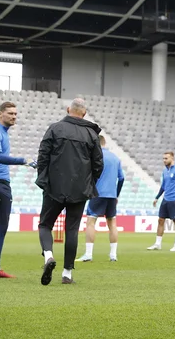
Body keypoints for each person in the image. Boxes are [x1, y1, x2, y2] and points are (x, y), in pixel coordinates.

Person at [36, 98, 104, 285]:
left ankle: (48, 256)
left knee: (45, 225)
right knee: (72, 229)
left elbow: (43, 155)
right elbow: (98, 164)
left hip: (54, 187)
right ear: (84, 113)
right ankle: (67, 273)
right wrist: (89, 183)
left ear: (68, 109)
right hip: (79, 189)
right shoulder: (91, 134)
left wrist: (44, 179)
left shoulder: (55, 128)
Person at [0, 101, 36, 278]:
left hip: (3, 182)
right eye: (10, 113)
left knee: (2, 225)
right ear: (1, 113)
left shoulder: (4, 133)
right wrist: (23, 160)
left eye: (15, 114)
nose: (14, 116)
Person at [76, 135, 124, 263]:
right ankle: (113, 255)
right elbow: (122, 178)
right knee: (112, 223)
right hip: (111, 195)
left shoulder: (95, 156)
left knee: (91, 222)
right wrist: (116, 194)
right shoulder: (115, 158)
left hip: (98, 193)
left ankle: (88, 254)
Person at [147, 151, 175, 252]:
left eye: (166, 158)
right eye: (163, 158)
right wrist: (157, 197)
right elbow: (163, 186)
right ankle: (157, 244)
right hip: (166, 199)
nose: (164, 160)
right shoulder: (165, 171)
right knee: (160, 220)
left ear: (172, 158)